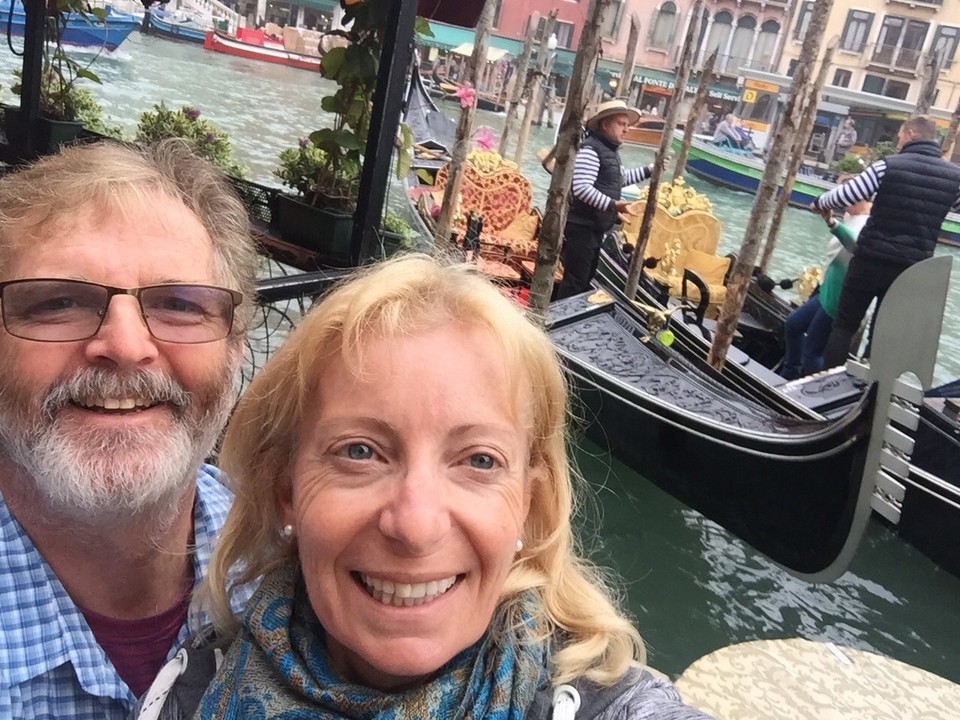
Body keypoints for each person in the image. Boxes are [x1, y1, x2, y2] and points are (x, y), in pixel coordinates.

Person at [139, 255, 712, 719]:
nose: (414, 526)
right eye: (360, 452)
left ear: (529, 504)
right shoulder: (192, 688)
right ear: (286, 488)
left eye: (479, 461)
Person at [0, 139, 258, 719]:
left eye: (179, 304)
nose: (124, 346)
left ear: (236, 347)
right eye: (59, 301)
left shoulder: (301, 573)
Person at [814, 115, 960, 368]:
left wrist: (819, 203)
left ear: (912, 134)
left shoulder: (889, 165)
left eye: (901, 135)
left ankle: (825, 387)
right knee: (884, 333)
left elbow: (850, 192)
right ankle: (869, 392)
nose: (899, 141)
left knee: (845, 326)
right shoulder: (954, 176)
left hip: (871, 258)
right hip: (912, 267)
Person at [556, 100, 653, 299]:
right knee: (575, 281)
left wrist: (650, 170)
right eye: (621, 124)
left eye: (627, 125)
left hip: (593, 228)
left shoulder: (609, 151)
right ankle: (557, 324)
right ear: (605, 124)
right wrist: (613, 205)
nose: (626, 130)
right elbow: (581, 188)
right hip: (581, 227)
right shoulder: (592, 149)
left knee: (584, 280)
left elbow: (618, 180)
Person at [780, 199, 871, 380]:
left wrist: (832, 223)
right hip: (826, 290)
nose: (846, 204)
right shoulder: (852, 217)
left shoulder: (868, 224)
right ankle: (790, 372)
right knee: (793, 324)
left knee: (812, 350)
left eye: (850, 199)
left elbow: (855, 246)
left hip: (840, 300)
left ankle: (811, 391)